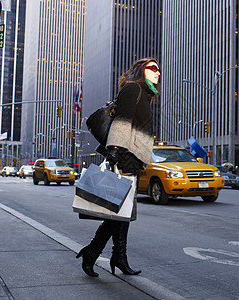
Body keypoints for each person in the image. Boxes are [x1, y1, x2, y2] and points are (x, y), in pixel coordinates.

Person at [76, 58, 161, 277]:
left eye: (158, 69)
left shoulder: (145, 93)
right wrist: (114, 152)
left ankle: (119, 257)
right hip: (124, 156)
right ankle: (92, 252)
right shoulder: (133, 88)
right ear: (141, 71)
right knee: (121, 212)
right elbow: (122, 121)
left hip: (132, 155)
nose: (157, 72)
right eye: (153, 68)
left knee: (123, 212)